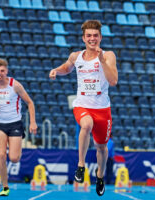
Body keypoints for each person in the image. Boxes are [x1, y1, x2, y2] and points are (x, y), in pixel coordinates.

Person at [49, 20, 118, 196]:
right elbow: (67, 67)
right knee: (85, 125)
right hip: (82, 104)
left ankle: (100, 176)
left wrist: (102, 62)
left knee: (101, 147)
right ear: (83, 38)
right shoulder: (76, 56)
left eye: (95, 36)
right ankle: (81, 165)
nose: (92, 39)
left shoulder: (108, 55)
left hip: (102, 109)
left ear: (100, 37)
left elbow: (113, 81)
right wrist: (56, 70)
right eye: (89, 36)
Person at [0, 58, 37, 196]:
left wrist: (33, 122)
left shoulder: (14, 85)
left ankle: (16, 148)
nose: (0, 73)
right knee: (0, 155)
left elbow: (30, 102)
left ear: (7, 71)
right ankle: (4, 187)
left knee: (14, 158)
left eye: (2, 71)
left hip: (15, 123)